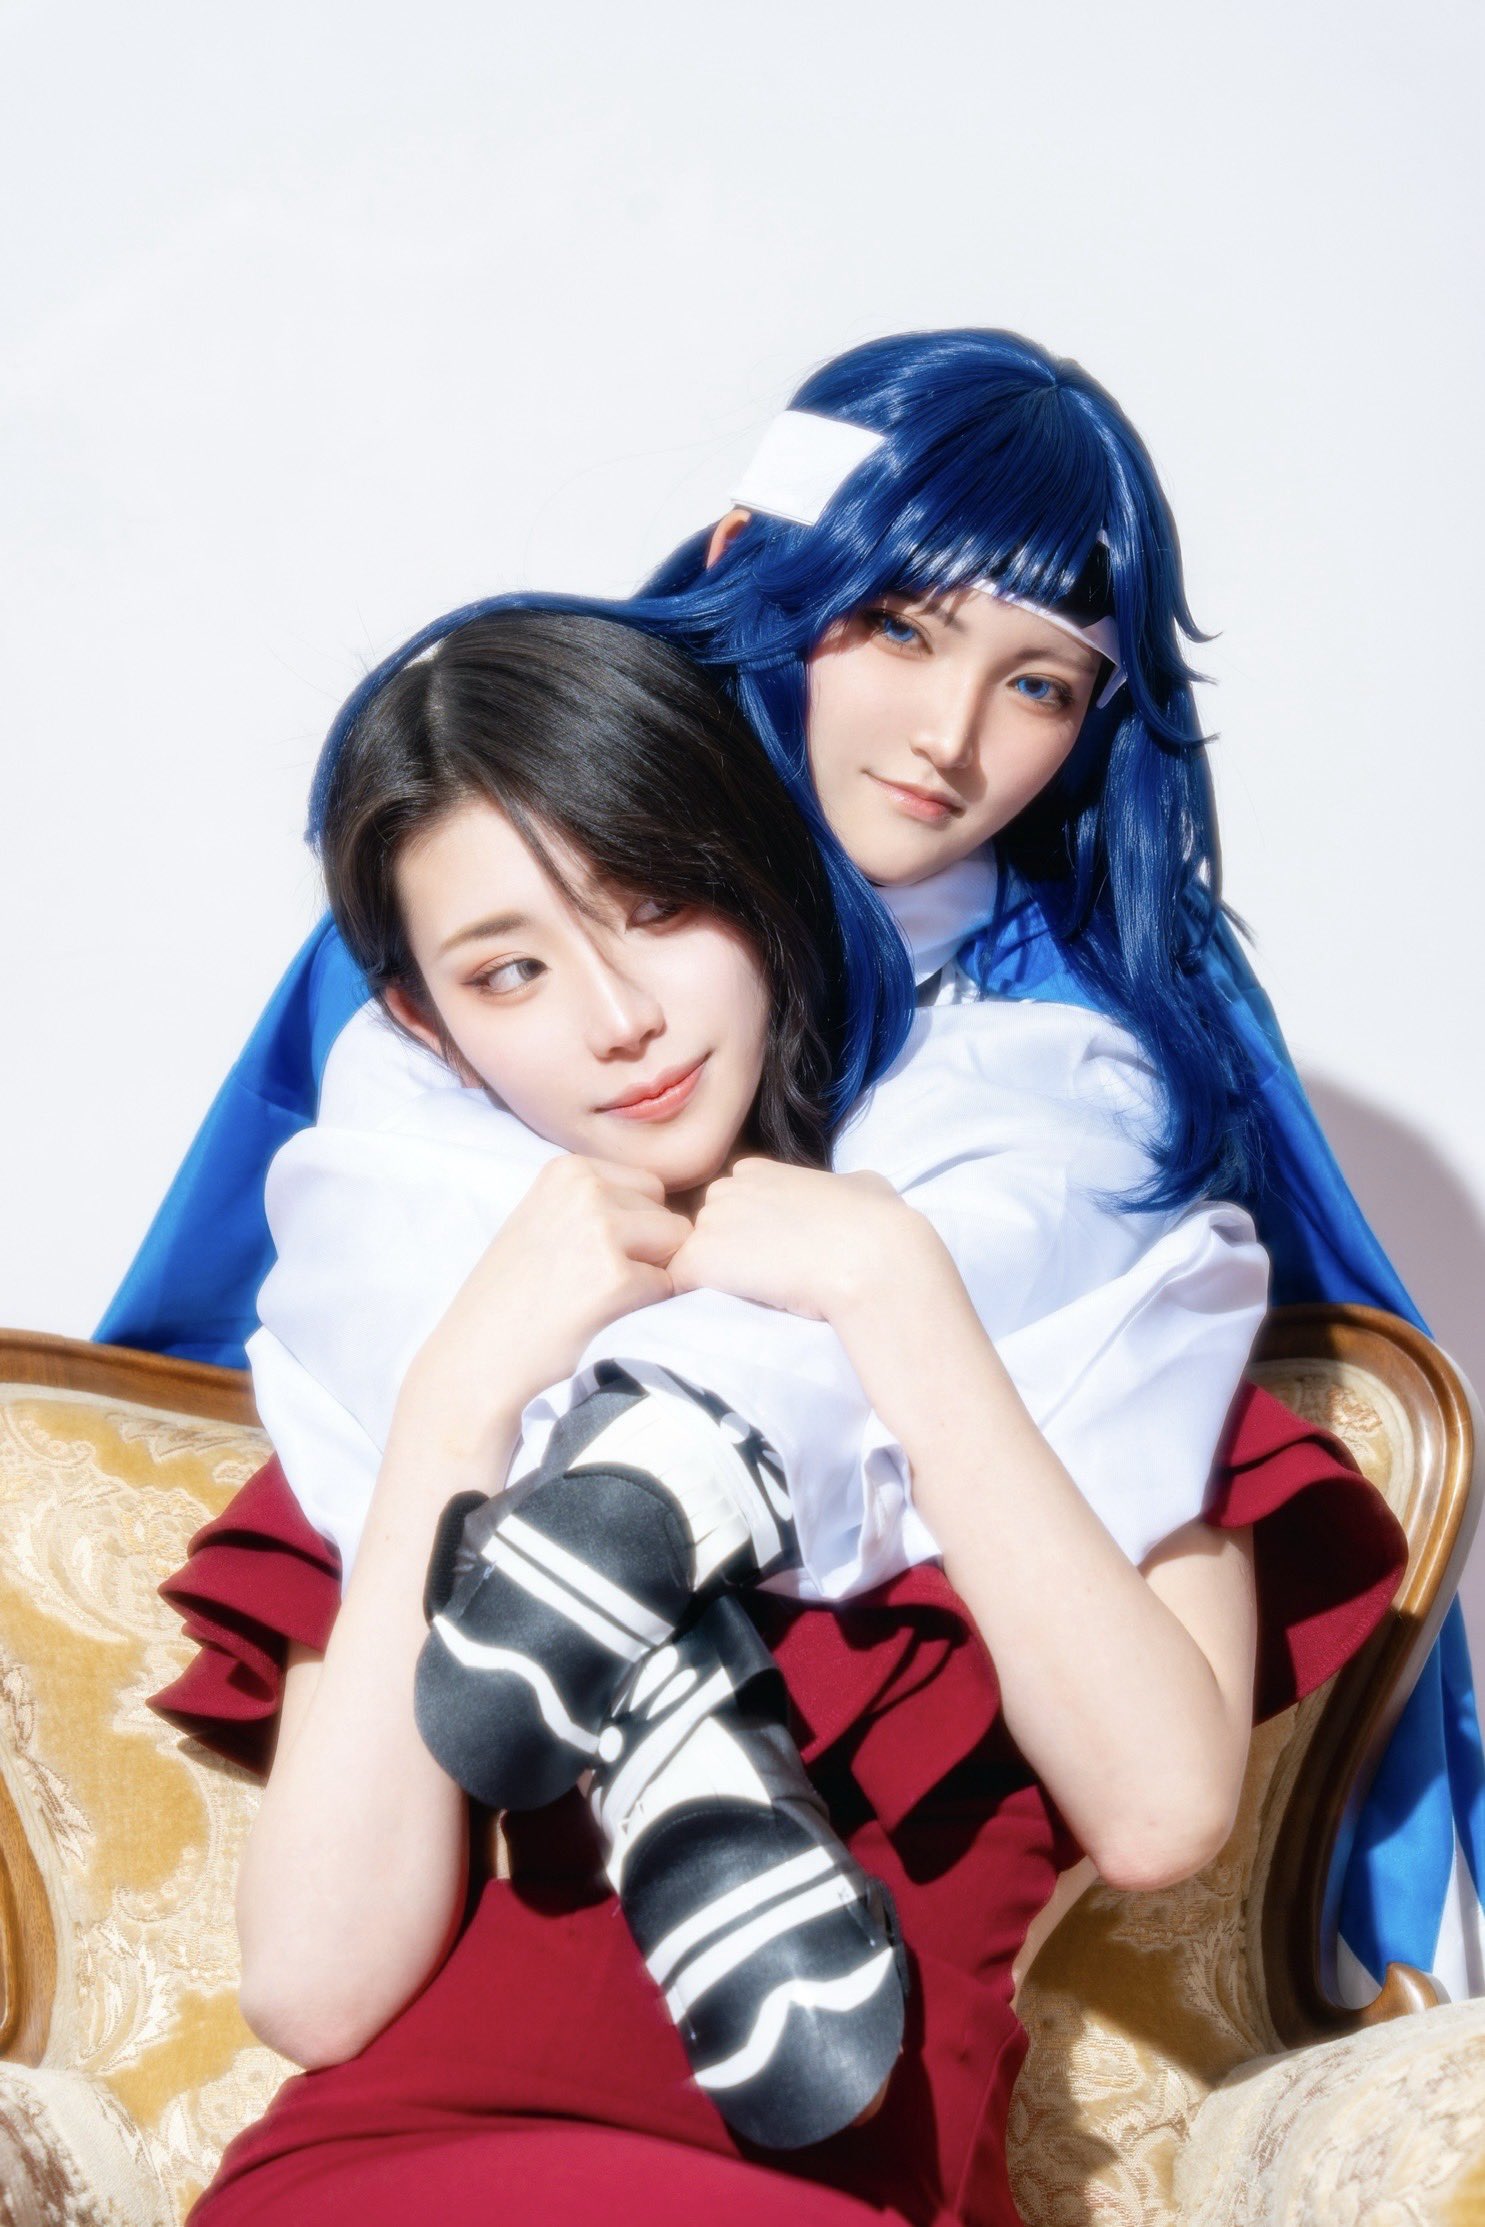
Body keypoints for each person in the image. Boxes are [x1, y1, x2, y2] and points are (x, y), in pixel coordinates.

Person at [113, 325, 1482, 2006]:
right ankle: (652, 1610)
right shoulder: (501, 881)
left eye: (1039, 683)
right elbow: (384, 1239)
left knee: (1054, 1157)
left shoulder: (1070, 1054)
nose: (948, 739)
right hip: (449, 1898)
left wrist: (868, 1269)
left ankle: (669, 1513)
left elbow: (1155, 1797)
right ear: (754, 564)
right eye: (898, 625)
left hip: (852, 1872)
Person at [147, 620, 1408, 2227]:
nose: (617, 1017)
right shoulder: (403, 1361)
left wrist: (899, 1296)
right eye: (508, 972)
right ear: (423, 1026)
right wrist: (460, 1399)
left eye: (657, 906)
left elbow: (1158, 1814)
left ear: (770, 890)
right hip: (379, 2177)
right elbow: (316, 1992)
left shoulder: (1085, 1309)